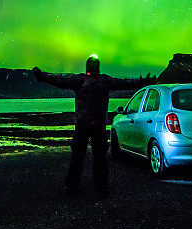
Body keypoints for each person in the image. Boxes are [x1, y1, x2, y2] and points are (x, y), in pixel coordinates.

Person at [32, 55, 154, 198]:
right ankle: (99, 188)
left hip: (84, 126)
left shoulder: (81, 80)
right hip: (97, 126)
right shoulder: (103, 81)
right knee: (97, 158)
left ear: (87, 66)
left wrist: (41, 76)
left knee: (82, 158)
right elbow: (125, 82)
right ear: (97, 67)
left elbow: (59, 79)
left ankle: (74, 187)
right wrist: (142, 82)